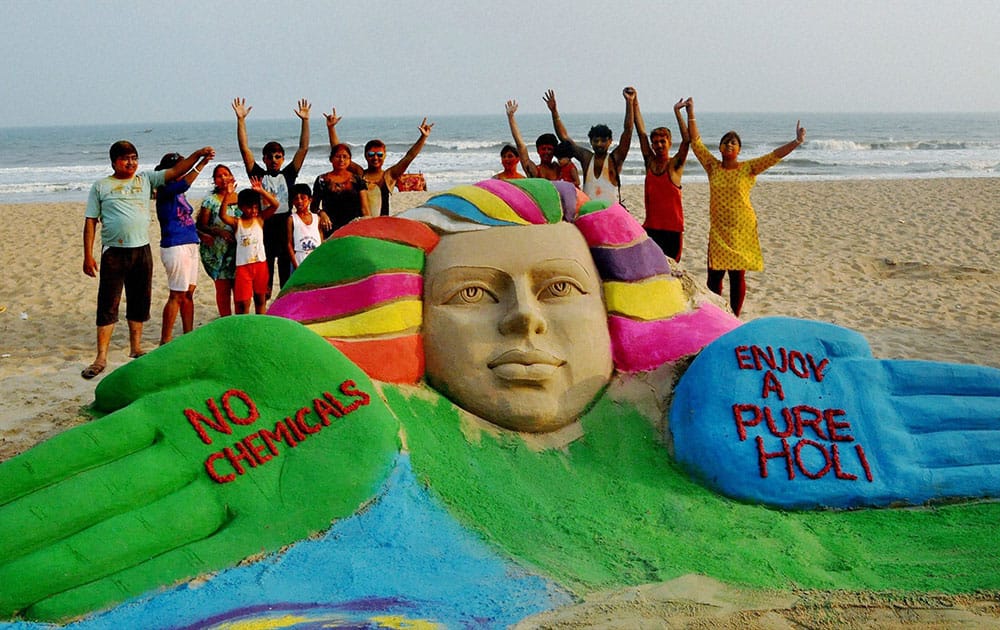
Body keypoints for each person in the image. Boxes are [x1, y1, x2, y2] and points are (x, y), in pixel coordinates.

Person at [6, 179, 1000, 624]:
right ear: (410, 324)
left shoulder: (710, 409)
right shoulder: (355, 429)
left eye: (560, 290)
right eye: (476, 297)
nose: (525, 324)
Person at [81, 141, 214, 379]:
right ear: (113, 162)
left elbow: (176, 172)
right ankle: (101, 356)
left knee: (139, 300)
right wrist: (87, 255)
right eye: (125, 158)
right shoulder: (101, 186)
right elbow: (91, 221)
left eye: (134, 157)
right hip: (114, 251)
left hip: (141, 250)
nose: (130, 162)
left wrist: (198, 155)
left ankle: (136, 347)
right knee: (108, 303)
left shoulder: (145, 180)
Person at [688, 98, 806, 316]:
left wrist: (796, 142)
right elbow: (695, 142)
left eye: (734, 142)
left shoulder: (748, 168)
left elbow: (774, 156)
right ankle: (716, 314)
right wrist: (690, 112)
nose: (729, 144)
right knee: (714, 274)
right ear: (720, 148)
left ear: (739, 149)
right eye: (726, 141)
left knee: (736, 275)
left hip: (742, 228)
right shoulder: (713, 167)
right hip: (719, 229)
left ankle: (734, 315)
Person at [233, 98, 311, 296]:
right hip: (264, 228)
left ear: (283, 158)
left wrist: (305, 120)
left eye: (278, 157)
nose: (274, 160)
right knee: (264, 279)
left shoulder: (289, 174)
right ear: (264, 159)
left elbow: (303, 149)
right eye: (270, 157)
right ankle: (263, 307)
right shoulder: (258, 174)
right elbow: (245, 150)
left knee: (286, 277)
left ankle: (284, 310)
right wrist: (241, 120)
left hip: (285, 228)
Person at [325, 108, 434, 218]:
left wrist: (423, 137)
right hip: (361, 226)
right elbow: (338, 153)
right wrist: (331, 128)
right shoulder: (359, 174)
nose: (375, 158)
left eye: (379, 155)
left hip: (382, 227)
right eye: (371, 154)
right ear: (365, 156)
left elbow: (409, 157)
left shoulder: (389, 176)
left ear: (385, 155)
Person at [153, 151, 213, 345]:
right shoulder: (165, 189)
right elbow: (186, 181)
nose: (184, 169)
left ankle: (188, 335)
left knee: (188, 293)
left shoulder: (178, 193)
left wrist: (201, 235)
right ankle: (165, 339)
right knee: (177, 294)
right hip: (175, 245)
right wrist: (201, 161)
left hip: (189, 243)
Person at [544, 87, 635, 203]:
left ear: (610, 141)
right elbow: (564, 137)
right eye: (596, 140)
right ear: (591, 141)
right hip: (588, 213)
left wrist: (629, 102)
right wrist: (554, 112)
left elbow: (628, 130)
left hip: (610, 213)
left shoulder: (615, 158)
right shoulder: (586, 158)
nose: (599, 144)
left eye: (603, 140)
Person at [634, 94, 691, 262]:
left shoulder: (674, 166)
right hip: (651, 228)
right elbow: (641, 133)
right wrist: (634, 102)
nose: (659, 145)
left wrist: (678, 112)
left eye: (662, 142)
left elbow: (687, 141)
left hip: (672, 231)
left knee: (671, 270)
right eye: (656, 142)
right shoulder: (649, 163)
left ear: (669, 143)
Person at [219, 179, 279, 314]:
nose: (253, 210)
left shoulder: (260, 219)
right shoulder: (237, 222)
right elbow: (222, 215)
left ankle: (260, 324)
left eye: (256, 207)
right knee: (245, 302)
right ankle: (247, 327)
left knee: (260, 299)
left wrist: (261, 191)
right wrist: (228, 195)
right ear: (241, 207)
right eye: (249, 207)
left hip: (260, 265)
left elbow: (275, 205)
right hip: (243, 267)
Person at [197, 165, 240, 317]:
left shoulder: (240, 198)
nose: (223, 178)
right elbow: (201, 224)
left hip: (239, 250)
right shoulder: (210, 201)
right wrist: (218, 231)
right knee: (223, 289)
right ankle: (225, 320)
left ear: (232, 177)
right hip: (218, 252)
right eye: (219, 176)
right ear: (214, 181)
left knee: (239, 290)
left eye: (226, 175)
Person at [312, 144, 370, 238]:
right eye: (338, 156)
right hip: (331, 228)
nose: (341, 160)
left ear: (350, 160)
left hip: (354, 227)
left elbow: (365, 208)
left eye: (345, 157)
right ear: (331, 159)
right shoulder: (321, 180)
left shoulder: (357, 180)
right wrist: (322, 213)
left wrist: (367, 225)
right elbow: (313, 207)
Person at [504, 100, 560, 180]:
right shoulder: (534, 170)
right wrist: (511, 117)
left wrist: (554, 111)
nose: (546, 152)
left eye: (550, 149)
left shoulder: (559, 168)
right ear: (538, 150)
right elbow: (521, 146)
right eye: (544, 149)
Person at [286, 183, 322, 268]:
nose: (299, 201)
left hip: (316, 259)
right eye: (296, 199)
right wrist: (295, 264)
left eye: (303, 198)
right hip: (299, 259)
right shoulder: (292, 219)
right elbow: (289, 244)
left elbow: (321, 241)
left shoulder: (317, 218)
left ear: (310, 199)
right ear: (292, 201)